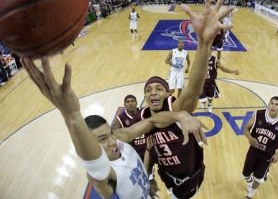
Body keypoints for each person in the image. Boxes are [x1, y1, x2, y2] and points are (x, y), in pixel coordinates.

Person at [21, 57, 207, 199]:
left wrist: (179, 114)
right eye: (101, 140)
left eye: (109, 134)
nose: (111, 142)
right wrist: (72, 116)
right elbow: (93, 164)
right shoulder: (106, 176)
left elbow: (151, 122)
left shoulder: (122, 145)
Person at [143, 0, 234, 199]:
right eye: (148, 90)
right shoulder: (143, 118)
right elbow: (147, 152)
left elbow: (193, 91)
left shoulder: (177, 108)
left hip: (191, 176)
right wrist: (149, 178)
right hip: (167, 176)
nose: (153, 93)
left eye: (158, 89)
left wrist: (204, 44)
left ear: (168, 94)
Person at [242, 96, 278, 199]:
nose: (273, 106)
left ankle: (250, 196)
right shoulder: (258, 115)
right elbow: (245, 129)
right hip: (253, 150)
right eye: (272, 103)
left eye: (276, 104)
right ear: (268, 105)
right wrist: (250, 138)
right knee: (245, 174)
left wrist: (277, 154)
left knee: (258, 178)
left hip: (268, 155)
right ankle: (249, 179)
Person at [112, 94, 147, 160]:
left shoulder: (144, 112)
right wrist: (121, 152)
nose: (131, 103)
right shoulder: (120, 118)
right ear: (124, 105)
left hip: (148, 148)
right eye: (128, 102)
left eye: (132, 101)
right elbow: (115, 136)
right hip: (133, 152)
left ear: (136, 103)